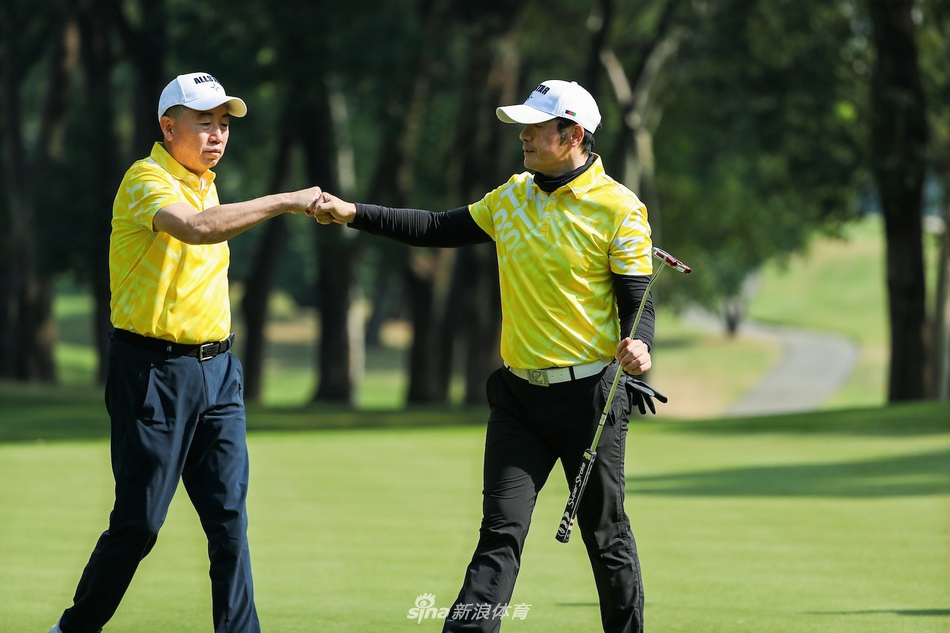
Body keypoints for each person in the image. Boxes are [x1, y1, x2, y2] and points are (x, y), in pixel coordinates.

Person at [313, 79, 663, 633]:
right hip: (519, 399)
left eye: (534, 127)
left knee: (606, 535)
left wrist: (640, 347)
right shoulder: (511, 197)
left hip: (590, 400)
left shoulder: (619, 208)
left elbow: (638, 302)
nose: (522, 135)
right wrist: (352, 212)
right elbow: (434, 228)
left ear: (572, 134)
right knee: (500, 532)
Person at [50, 72, 322, 633]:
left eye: (224, 124)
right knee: (140, 523)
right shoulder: (146, 179)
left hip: (219, 373)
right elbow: (196, 230)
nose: (218, 135)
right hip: (152, 371)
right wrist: (287, 200)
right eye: (205, 123)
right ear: (167, 126)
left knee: (229, 523)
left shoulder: (206, 181)